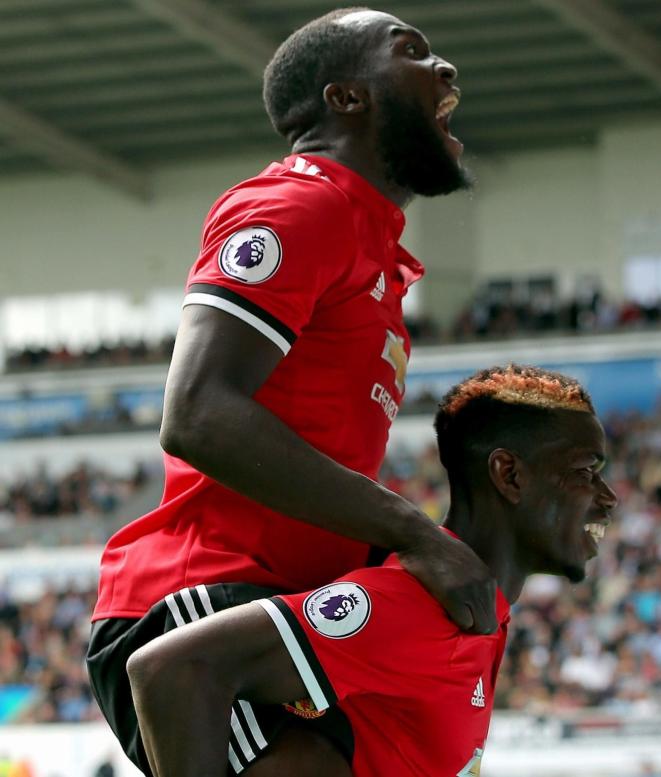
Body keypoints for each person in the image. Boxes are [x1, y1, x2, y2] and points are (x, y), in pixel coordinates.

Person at [86, 7, 496, 774]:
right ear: (346, 98)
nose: (446, 70)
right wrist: (415, 533)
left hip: (292, 610)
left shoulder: (374, 255)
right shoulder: (299, 206)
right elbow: (198, 413)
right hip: (203, 598)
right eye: (412, 52)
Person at [126, 365, 619, 776]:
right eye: (584, 472)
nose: (608, 496)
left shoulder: (481, 612)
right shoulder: (419, 606)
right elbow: (171, 668)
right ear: (509, 475)